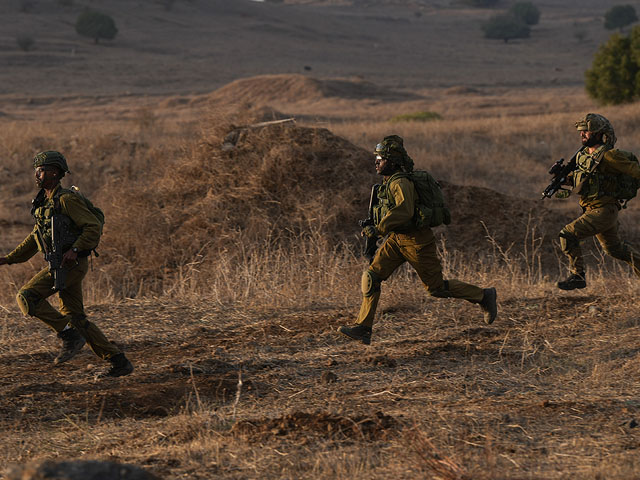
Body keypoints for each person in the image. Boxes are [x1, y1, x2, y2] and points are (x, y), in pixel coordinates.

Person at [338, 136, 497, 345]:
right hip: (397, 240)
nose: (376, 161)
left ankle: (484, 296)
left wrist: (378, 228)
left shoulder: (400, 182)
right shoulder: (388, 183)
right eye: (376, 157)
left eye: (381, 158)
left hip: (417, 242)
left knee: (436, 289)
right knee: (372, 277)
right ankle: (363, 327)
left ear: (393, 162)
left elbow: (404, 211)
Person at [0, 151, 133, 378]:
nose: (37, 174)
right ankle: (118, 361)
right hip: (60, 264)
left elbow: (93, 226)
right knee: (76, 318)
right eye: (37, 170)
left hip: (71, 263)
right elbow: (35, 238)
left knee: (27, 297)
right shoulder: (44, 202)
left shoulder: (66, 200)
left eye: (42, 170)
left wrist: (75, 249)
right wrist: (8, 258)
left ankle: (68, 336)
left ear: (55, 173)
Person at [556, 113, 640, 290]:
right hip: (593, 209)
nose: (582, 134)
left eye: (586, 132)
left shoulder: (610, 156)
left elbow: (636, 171)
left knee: (567, 234)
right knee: (615, 249)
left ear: (598, 134)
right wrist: (566, 180)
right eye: (581, 131)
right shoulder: (584, 156)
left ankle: (578, 276)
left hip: (604, 210)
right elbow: (585, 179)